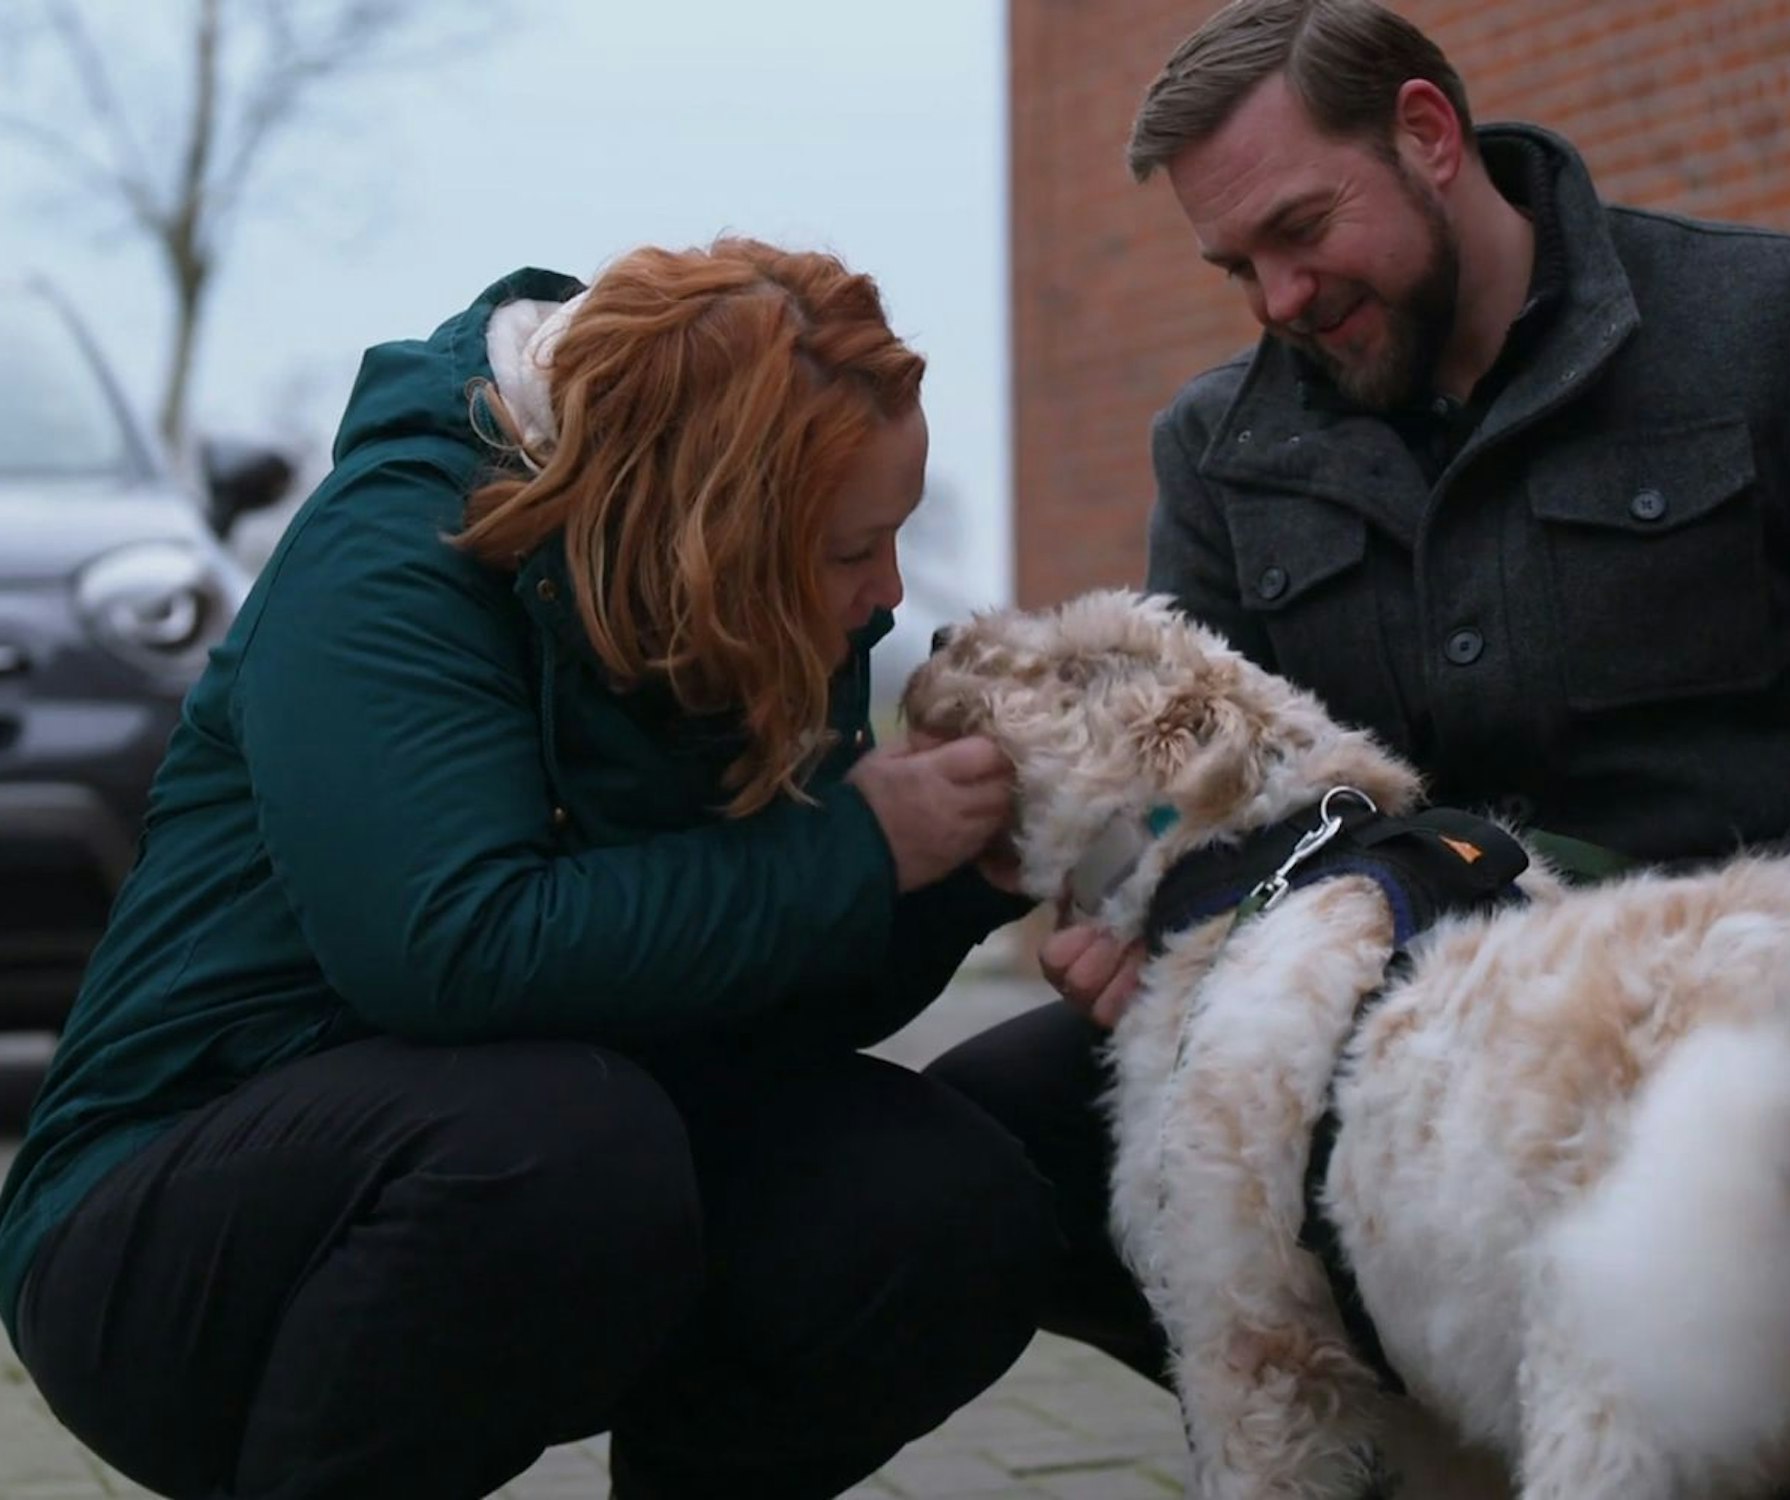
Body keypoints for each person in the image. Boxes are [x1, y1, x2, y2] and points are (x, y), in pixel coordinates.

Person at [929, 0, 1790, 1439]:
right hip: (1410, 1073)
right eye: (1235, 266)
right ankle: (1408, 1417)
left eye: (1302, 231)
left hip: (1788, 998)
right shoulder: (1220, 449)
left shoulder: (1780, 327)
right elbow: (1207, 818)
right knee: (994, 1139)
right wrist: (1142, 931)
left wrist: (1766, 947)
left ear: (1429, 136)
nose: (1278, 300)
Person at [0, 238, 1061, 1500]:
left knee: (936, 1200)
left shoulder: (742, 592)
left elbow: (763, 999)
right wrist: (855, 848)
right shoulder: (390, 553)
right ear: (704, 520)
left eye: (892, 538)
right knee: (558, 1146)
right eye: (848, 552)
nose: (884, 595)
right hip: (172, 1234)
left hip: (558, 1179)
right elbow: (452, 952)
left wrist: (951, 879)